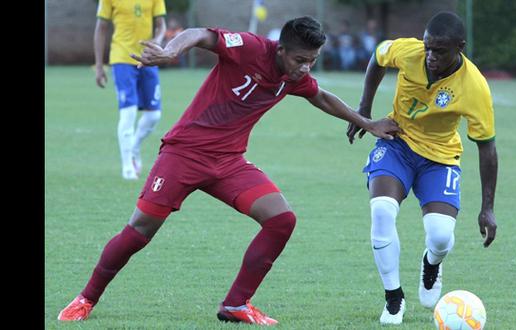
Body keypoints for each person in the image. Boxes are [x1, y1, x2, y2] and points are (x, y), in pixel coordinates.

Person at [58, 16, 401, 324]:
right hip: (184, 154)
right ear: (280, 50)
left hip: (229, 163)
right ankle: (86, 298)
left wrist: (365, 122)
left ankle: (236, 304)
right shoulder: (250, 48)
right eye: (300, 60)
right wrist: (171, 50)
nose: (306, 68)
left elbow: (321, 97)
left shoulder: (294, 76)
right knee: (140, 230)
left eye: (312, 61)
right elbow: (199, 33)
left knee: (281, 219)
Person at [346, 11, 498, 325]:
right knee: (382, 210)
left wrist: (488, 208)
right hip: (396, 143)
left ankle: (432, 262)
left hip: (440, 157)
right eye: (428, 47)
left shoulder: (474, 87)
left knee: (441, 236)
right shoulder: (408, 51)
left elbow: (487, 148)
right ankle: (393, 299)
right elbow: (377, 58)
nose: (430, 56)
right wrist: (364, 109)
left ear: (460, 47)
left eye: (439, 51)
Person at [94, 0, 167, 180]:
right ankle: (127, 167)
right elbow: (101, 28)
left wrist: (156, 42)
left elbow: (161, 26)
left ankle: (133, 147)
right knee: (129, 114)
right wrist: (98, 65)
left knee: (154, 115)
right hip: (122, 58)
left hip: (147, 59)